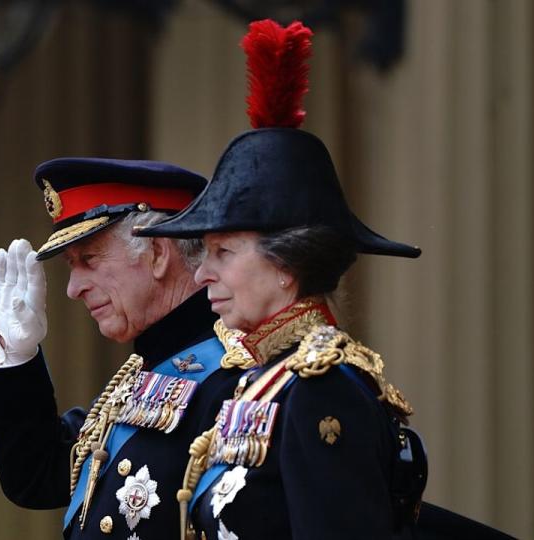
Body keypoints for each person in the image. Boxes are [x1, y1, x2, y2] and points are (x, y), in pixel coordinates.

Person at [135, 19, 513, 540]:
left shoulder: (321, 389)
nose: (203, 273)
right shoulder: (262, 381)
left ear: (287, 265)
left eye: (223, 252)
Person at [0, 158, 242, 539]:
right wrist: (12, 358)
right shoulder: (143, 374)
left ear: (158, 252)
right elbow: (40, 475)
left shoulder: (235, 375)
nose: (73, 288)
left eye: (89, 260)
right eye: (71, 265)